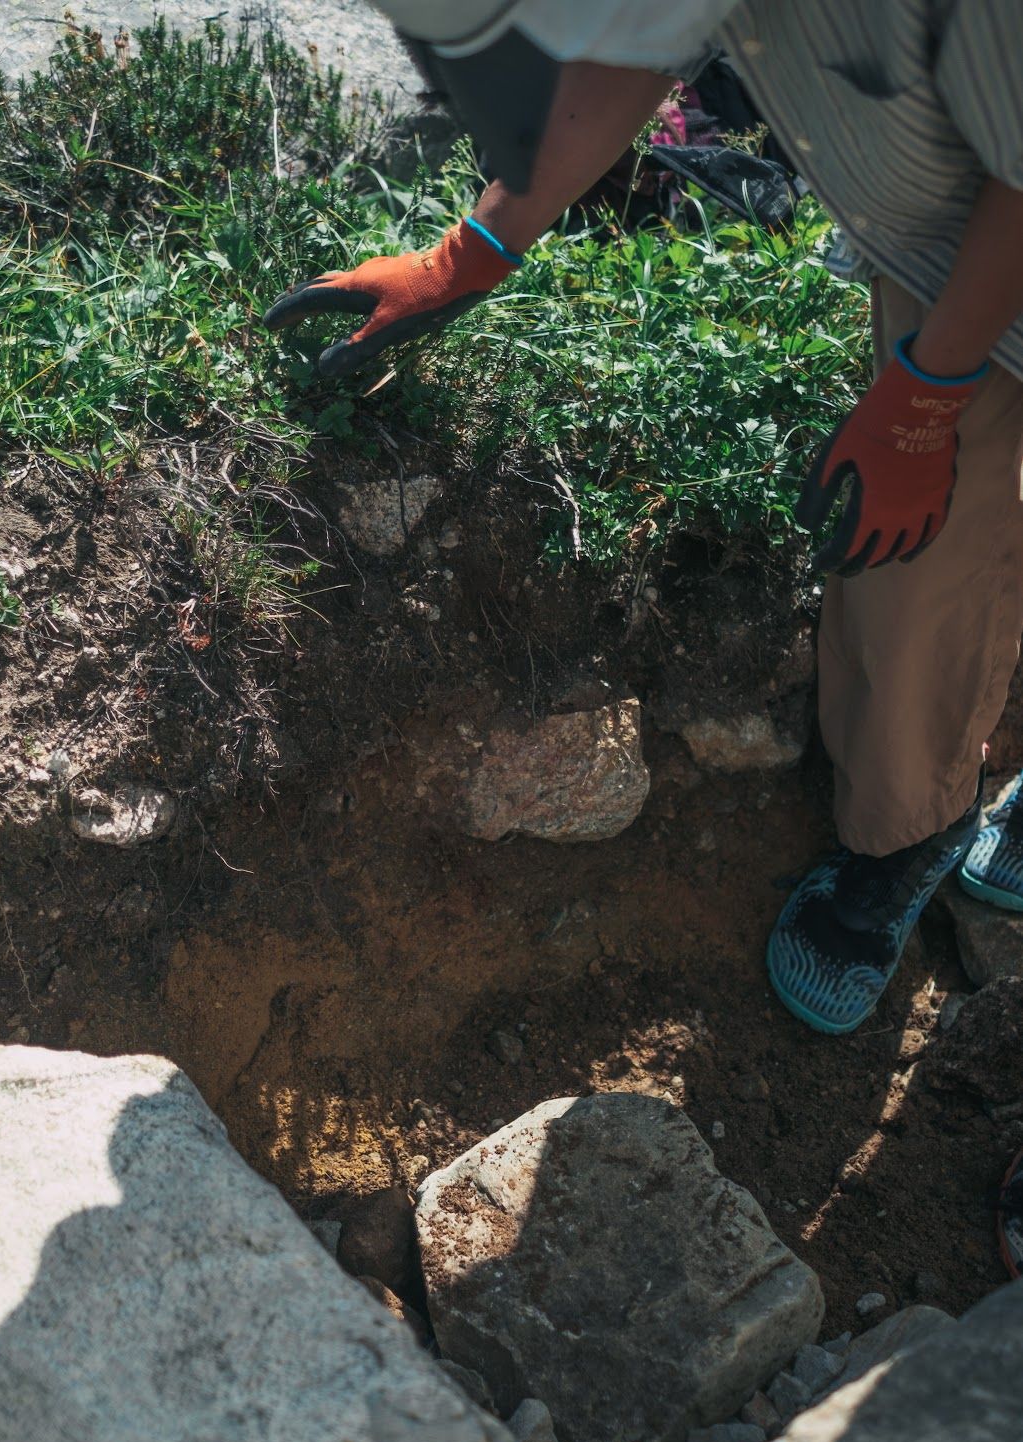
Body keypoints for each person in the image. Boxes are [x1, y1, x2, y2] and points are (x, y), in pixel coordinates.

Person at [264, 0, 1023, 1040]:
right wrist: (476, 247)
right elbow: (636, 39)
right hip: (955, 249)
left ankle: (918, 833)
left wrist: (929, 396)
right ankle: (911, 827)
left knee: (924, 517)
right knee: (918, 561)